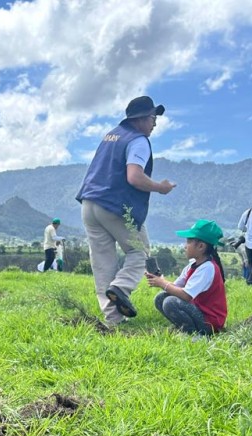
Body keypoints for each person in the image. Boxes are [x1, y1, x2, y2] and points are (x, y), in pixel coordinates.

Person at [76, 95, 176, 326]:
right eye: (153, 117)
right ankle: (120, 288)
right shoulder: (138, 140)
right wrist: (161, 187)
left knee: (103, 262)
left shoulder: (112, 136)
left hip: (89, 203)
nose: (155, 123)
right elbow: (134, 177)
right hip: (115, 206)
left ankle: (112, 320)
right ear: (140, 119)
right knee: (139, 252)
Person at [144, 219, 227, 336]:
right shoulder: (193, 264)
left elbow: (186, 296)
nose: (185, 246)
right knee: (160, 298)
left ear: (201, 246)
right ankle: (185, 328)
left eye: (188, 242)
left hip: (210, 322)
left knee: (170, 302)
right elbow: (176, 287)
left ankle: (196, 334)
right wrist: (159, 279)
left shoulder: (208, 268)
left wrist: (162, 283)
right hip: (198, 311)